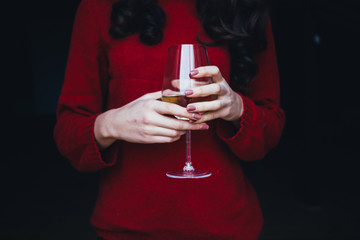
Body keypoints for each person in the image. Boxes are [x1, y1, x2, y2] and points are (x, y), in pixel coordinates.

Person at [54, 0, 285, 239]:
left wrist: (237, 108)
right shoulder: (98, 7)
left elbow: (270, 133)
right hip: (129, 228)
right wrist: (111, 125)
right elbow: (68, 136)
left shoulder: (244, 7)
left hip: (225, 226)